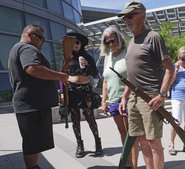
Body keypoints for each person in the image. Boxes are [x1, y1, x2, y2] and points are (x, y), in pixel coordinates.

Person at [8, 24, 89, 169]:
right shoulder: (27, 48)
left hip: (31, 105)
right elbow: (33, 68)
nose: (43, 42)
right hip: (31, 105)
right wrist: (63, 76)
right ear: (30, 35)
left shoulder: (20, 48)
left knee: (33, 143)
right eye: (41, 38)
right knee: (32, 144)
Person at [118, 2, 174, 169]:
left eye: (129, 15)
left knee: (153, 142)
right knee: (142, 140)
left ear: (142, 14)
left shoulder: (153, 37)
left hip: (150, 97)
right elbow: (131, 74)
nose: (125, 20)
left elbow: (170, 68)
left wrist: (162, 95)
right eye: (123, 17)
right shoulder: (130, 42)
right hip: (133, 99)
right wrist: (125, 97)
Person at [100, 26, 139, 169]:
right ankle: (128, 163)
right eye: (107, 42)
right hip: (113, 101)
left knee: (131, 135)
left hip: (128, 99)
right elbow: (105, 80)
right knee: (122, 132)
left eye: (113, 40)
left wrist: (124, 97)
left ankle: (133, 166)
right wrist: (104, 101)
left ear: (119, 38)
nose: (110, 44)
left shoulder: (128, 53)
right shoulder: (108, 56)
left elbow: (132, 77)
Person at [65, 32, 103, 158]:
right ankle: (79, 145)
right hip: (72, 92)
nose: (75, 44)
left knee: (90, 117)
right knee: (75, 120)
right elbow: (61, 75)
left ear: (81, 44)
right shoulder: (66, 58)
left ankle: (98, 142)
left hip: (86, 92)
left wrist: (87, 64)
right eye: (73, 42)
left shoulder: (87, 57)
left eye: (77, 42)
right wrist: (61, 92)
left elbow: (95, 74)